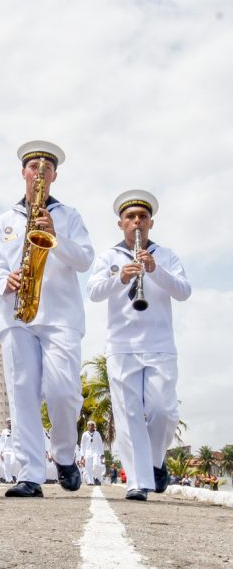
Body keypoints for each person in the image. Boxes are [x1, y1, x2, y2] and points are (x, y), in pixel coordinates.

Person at [0, 140, 93, 498]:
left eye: (46, 168)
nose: (39, 173)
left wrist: (55, 236)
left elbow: (85, 260)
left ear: (55, 176)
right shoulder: (4, 221)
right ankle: (30, 473)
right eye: (33, 167)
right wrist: (6, 280)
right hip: (17, 315)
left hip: (60, 316)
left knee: (64, 393)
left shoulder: (69, 215)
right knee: (22, 395)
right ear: (23, 173)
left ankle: (64, 455)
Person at [87, 190, 191, 501]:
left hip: (159, 344)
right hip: (121, 345)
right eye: (130, 217)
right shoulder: (109, 257)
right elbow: (93, 292)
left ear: (151, 223)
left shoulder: (166, 255)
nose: (136, 222)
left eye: (142, 217)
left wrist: (155, 270)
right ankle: (137, 480)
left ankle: (155, 464)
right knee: (129, 413)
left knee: (163, 411)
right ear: (121, 224)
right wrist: (120, 277)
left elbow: (184, 291)